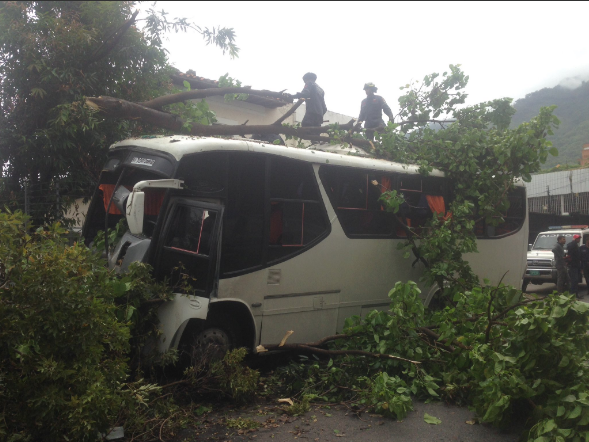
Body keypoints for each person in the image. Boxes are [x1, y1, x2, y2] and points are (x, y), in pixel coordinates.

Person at [567, 234, 583, 298]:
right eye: (578, 238)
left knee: (576, 280)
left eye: (579, 238)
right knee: (574, 280)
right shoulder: (572, 245)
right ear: (575, 239)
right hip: (573, 265)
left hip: (576, 265)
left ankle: (575, 294)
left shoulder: (575, 245)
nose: (579, 240)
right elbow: (572, 255)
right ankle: (573, 294)